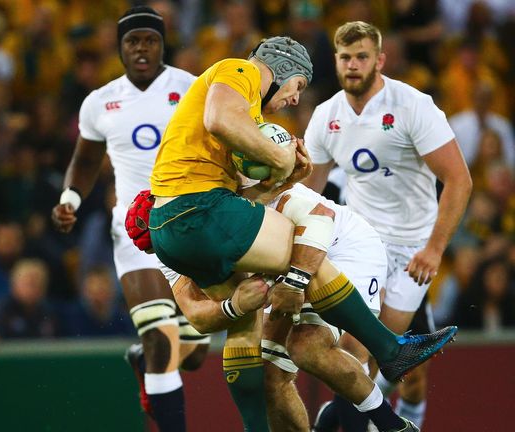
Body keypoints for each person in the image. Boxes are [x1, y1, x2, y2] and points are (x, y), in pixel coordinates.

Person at [146, 34, 457, 431]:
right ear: (281, 71)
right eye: (298, 86)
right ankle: (389, 353)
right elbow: (221, 120)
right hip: (204, 209)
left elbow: (198, 316)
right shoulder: (238, 70)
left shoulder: (223, 170)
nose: (295, 99)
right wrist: (280, 157)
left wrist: (234, 306)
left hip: (171, 229)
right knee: (304, 251)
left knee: (249, 334)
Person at [303, 21, 472, 430]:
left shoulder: (412, 105)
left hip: (415, 249)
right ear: (336, 61)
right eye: (345, 58)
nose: (353, 65)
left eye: (362, 57)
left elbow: (459, 180)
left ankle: (356, 415)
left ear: (380, 60)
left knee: (398, 369)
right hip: (364, 244)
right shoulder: (327, 117)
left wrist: (433, 249)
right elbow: (308, 192)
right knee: (354, 349)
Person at [50, 7, 209, 431]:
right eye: (132, 41)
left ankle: (144, 364)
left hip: (191, 229)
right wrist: (70, 198)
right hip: (135, 231)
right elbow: (84, 162)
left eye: (149, 40)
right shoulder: (99, 101)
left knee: (191, 355)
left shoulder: (193, 90)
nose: (141, 48)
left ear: (162, 44)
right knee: (159, 336)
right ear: (120, 48)